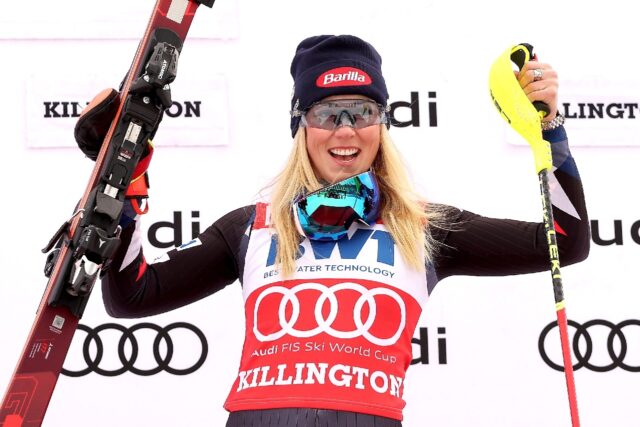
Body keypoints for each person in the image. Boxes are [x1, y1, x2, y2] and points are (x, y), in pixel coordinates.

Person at [78, 35, 590, 426]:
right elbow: (135, 297)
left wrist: (549, 130)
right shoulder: (251, 227)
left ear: (382, 123)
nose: (346, 130)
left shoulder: (425, 227)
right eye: (327, 113)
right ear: (301, 125)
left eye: (363, 111)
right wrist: (128, 199)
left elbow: (565, 243)